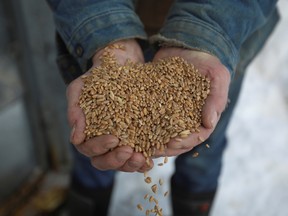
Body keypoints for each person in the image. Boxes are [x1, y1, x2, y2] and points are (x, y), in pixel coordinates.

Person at [47, 0, 279, 215]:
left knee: (203, 150)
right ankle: (85, 205)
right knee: (95, 143)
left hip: (224, 34)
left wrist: (207, 34)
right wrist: (104, 25)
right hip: (98, 34)